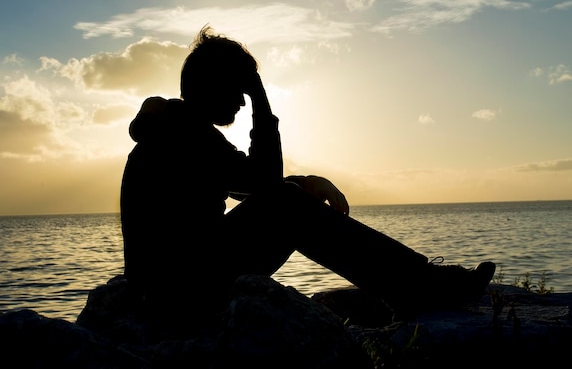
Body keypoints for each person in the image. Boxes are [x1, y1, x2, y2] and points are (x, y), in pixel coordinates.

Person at [120, 25, 496, 325]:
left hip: (176, 285)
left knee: (285, 200)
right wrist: (262, 100)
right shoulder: (183, 132)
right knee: (284, 204)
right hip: (177, 294)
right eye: (240, 88)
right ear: (216, 83)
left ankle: (416, 284)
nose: (241, 100)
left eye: (247, 91)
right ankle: (420, 286)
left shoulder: (181, 129)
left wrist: (302, 183)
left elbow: (249, 184)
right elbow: (265, 185)